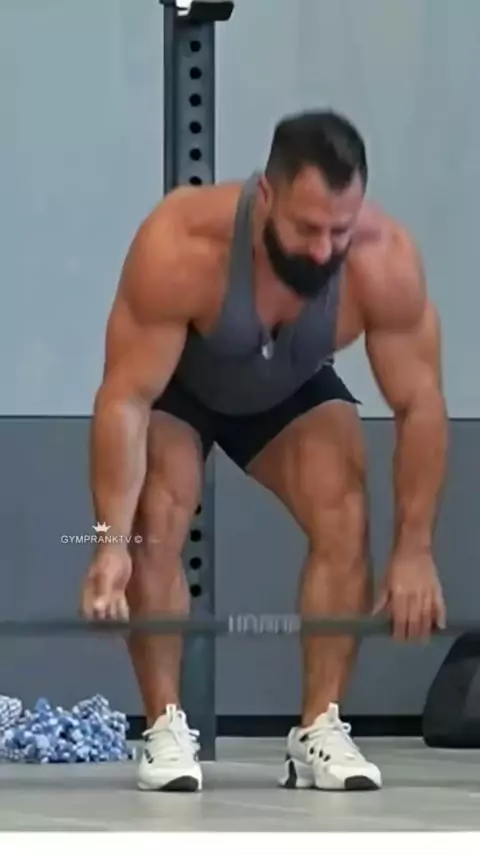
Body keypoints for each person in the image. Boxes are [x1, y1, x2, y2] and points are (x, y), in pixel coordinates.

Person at [81, 110, 448, 793]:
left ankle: (319, 727)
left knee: (345, 507)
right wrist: (108, 544)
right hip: (181, 385)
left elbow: (420, 406)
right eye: (307, 229)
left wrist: (416, 550)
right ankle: (164, 726)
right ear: (267, 195)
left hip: (288, 384)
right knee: (155, 519)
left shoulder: (384, 258)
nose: (323, 249)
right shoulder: (182, 241)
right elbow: (125, 401)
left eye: (339, 230)